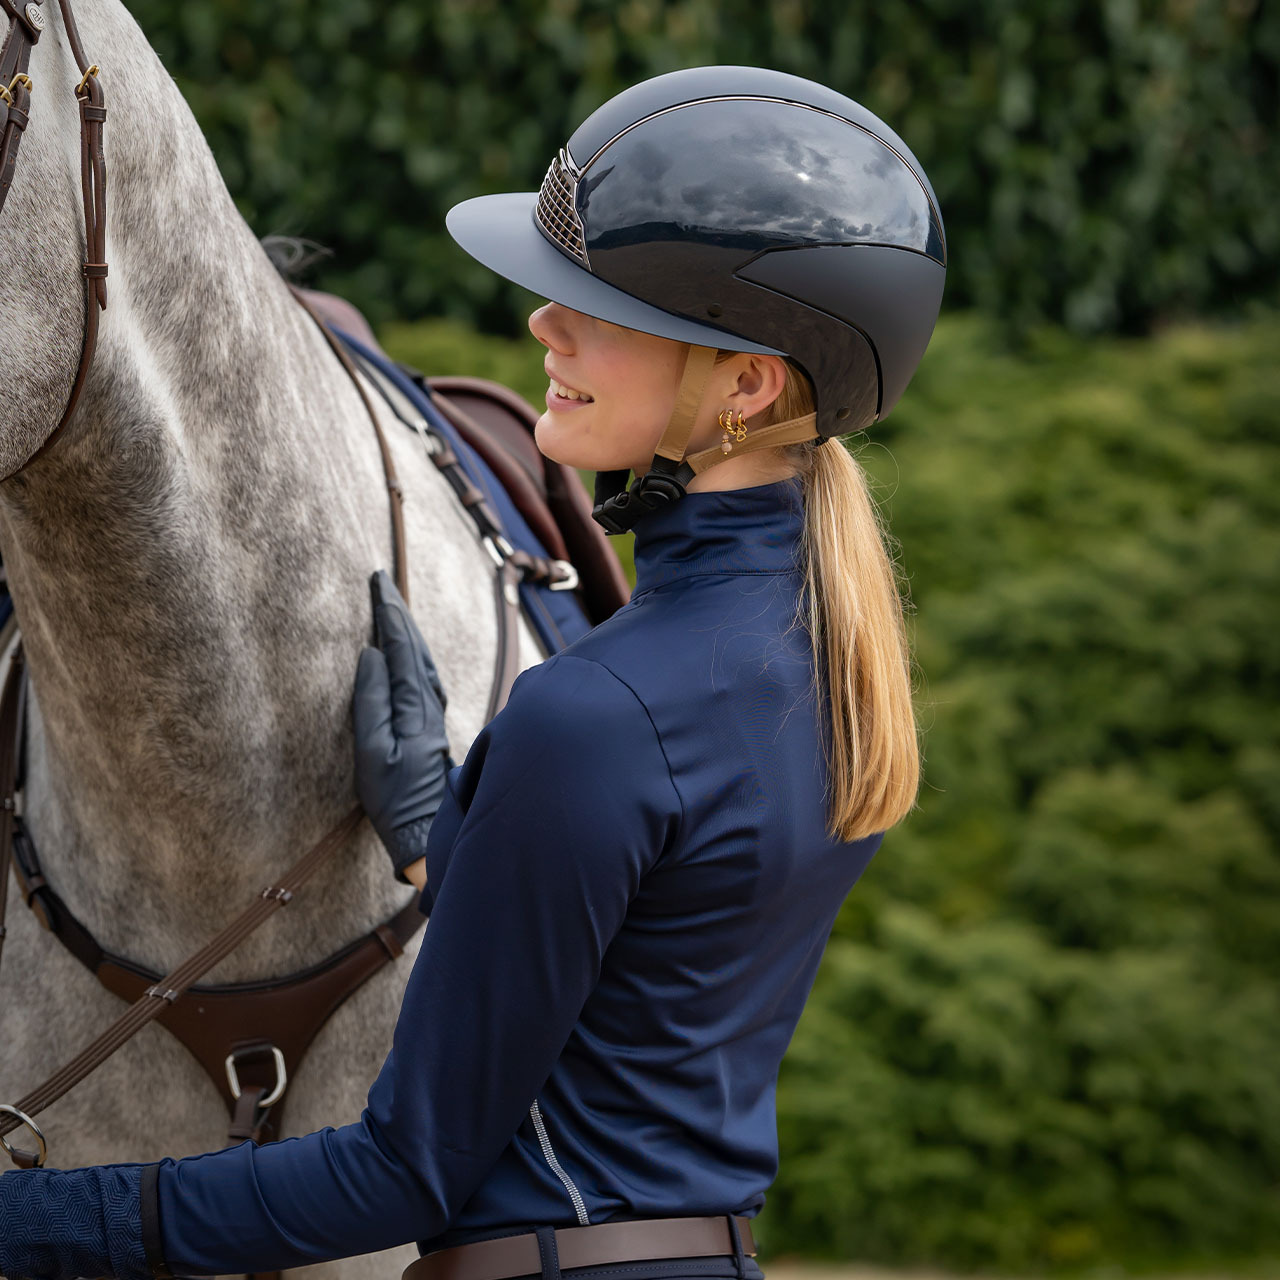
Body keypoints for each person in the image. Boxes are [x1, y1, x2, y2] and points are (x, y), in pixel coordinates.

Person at [0, 65, 945, 1280]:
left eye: (597, 304)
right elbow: (642, 975)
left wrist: (34, 1224)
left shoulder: (592, 715)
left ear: (747, 383)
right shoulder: (820, 660)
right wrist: (435, 825)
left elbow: (397, 1173)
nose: (544, 325)